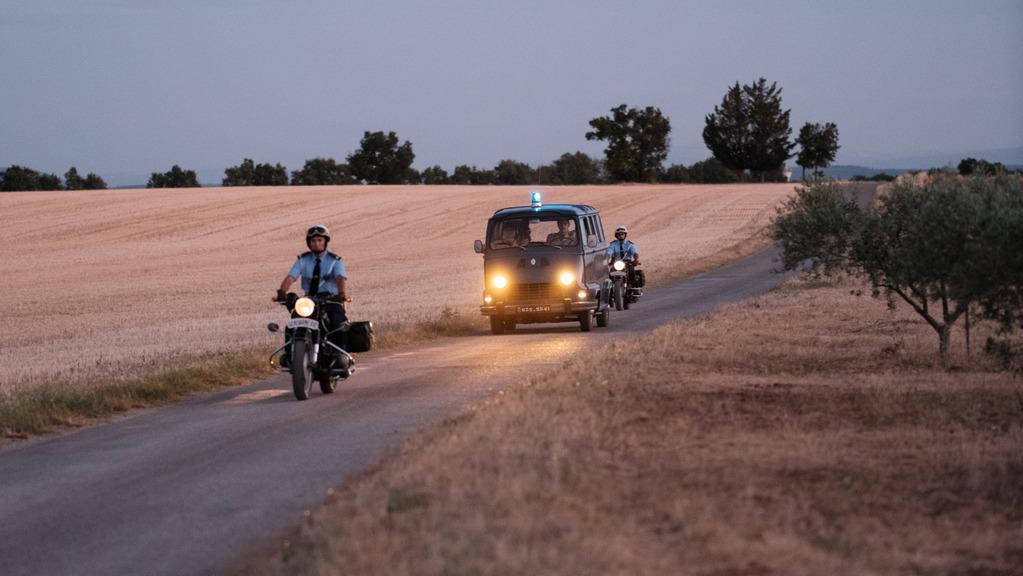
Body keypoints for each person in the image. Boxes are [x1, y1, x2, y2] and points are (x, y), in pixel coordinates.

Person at [273, 225, 348, 365]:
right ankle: (289, 356)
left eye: (320, 240)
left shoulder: (335, 260)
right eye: (313, 241)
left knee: (338, 323)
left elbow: (340, 278)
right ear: (309, 243)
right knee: (292, 323)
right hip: (310, 300)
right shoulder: (303, 260)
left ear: (325, 241)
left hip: (331, 299)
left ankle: (339, 356)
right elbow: (291, 277)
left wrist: (341, 293)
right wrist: (282, 292)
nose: (316, 243)